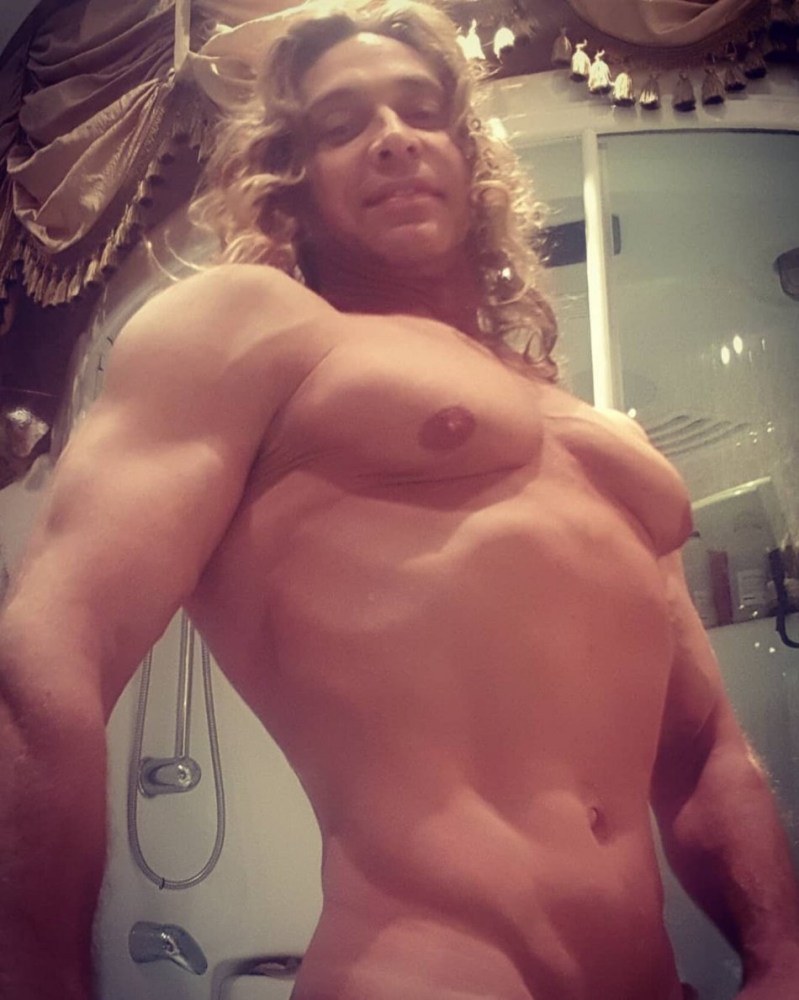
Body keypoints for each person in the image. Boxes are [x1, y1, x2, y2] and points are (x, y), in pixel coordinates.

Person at [1, 3, 798, 998]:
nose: (390, 138)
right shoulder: (253, 326)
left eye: (420, 111)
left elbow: (704, 745)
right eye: (341, 125)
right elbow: (49, 653)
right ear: (290, 177)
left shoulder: (589, 431)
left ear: (467, 154)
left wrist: (779, 957)